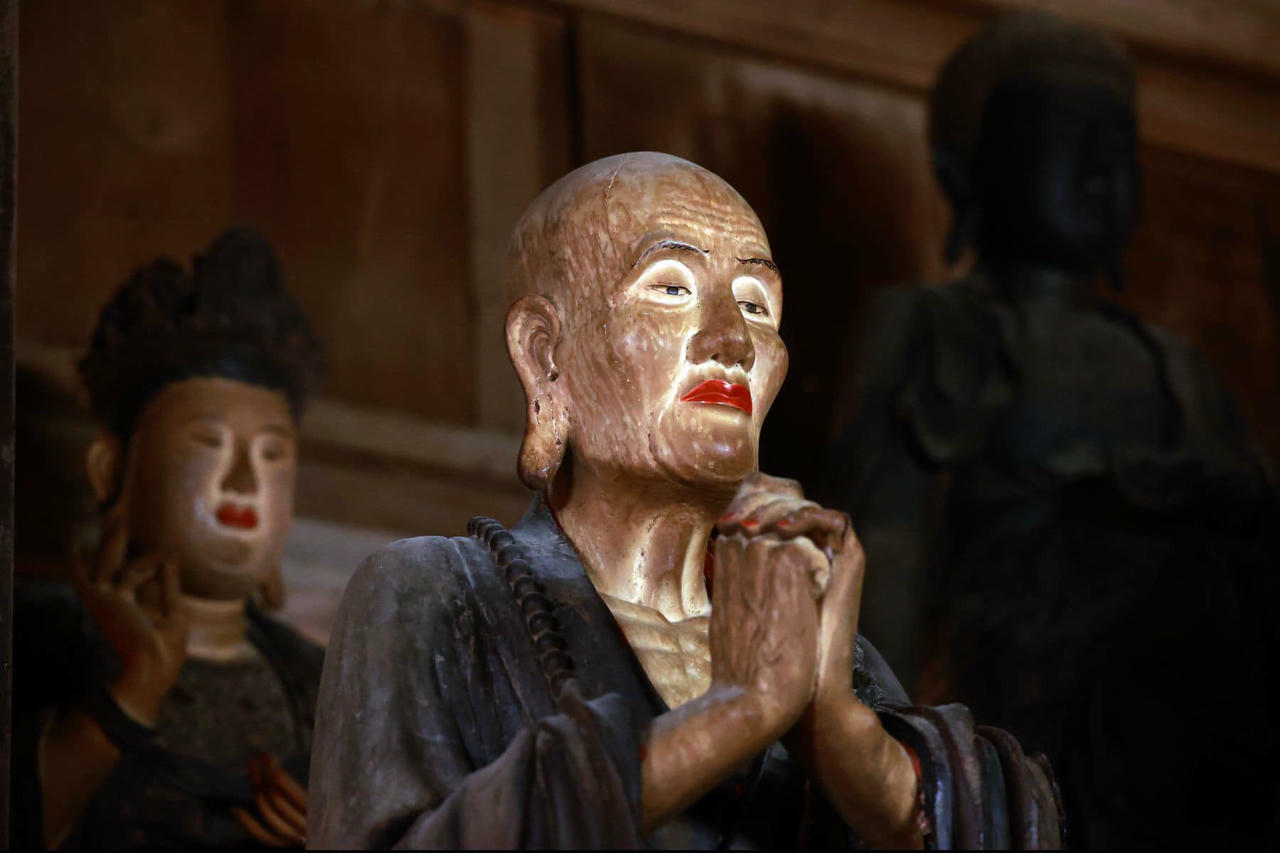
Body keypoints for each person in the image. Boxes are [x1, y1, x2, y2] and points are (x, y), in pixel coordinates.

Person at [309, 152, 1063, 849]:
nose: (731, 340)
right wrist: (737, 711)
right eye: (670, 289)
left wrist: (836, 728)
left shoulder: (812, 647)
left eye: (757, 305)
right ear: (544, 356)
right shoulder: (439, 594)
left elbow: (990, 825)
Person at [827, 12, 1279, 847]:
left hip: (1201, 690)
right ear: (968, 171)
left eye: (1122, 145)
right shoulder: (932, 326)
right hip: (1037, 680)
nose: (1106, 169)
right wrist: (884, 744)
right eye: (1070, 138)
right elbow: (883, 540)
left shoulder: (1176, 364)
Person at [11, 228, 327, 848]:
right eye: (208, 443)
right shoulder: (35, 635)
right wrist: (133, 691)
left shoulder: (327, 686)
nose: (243, 483)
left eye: (272, 456)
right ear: (112, 470)